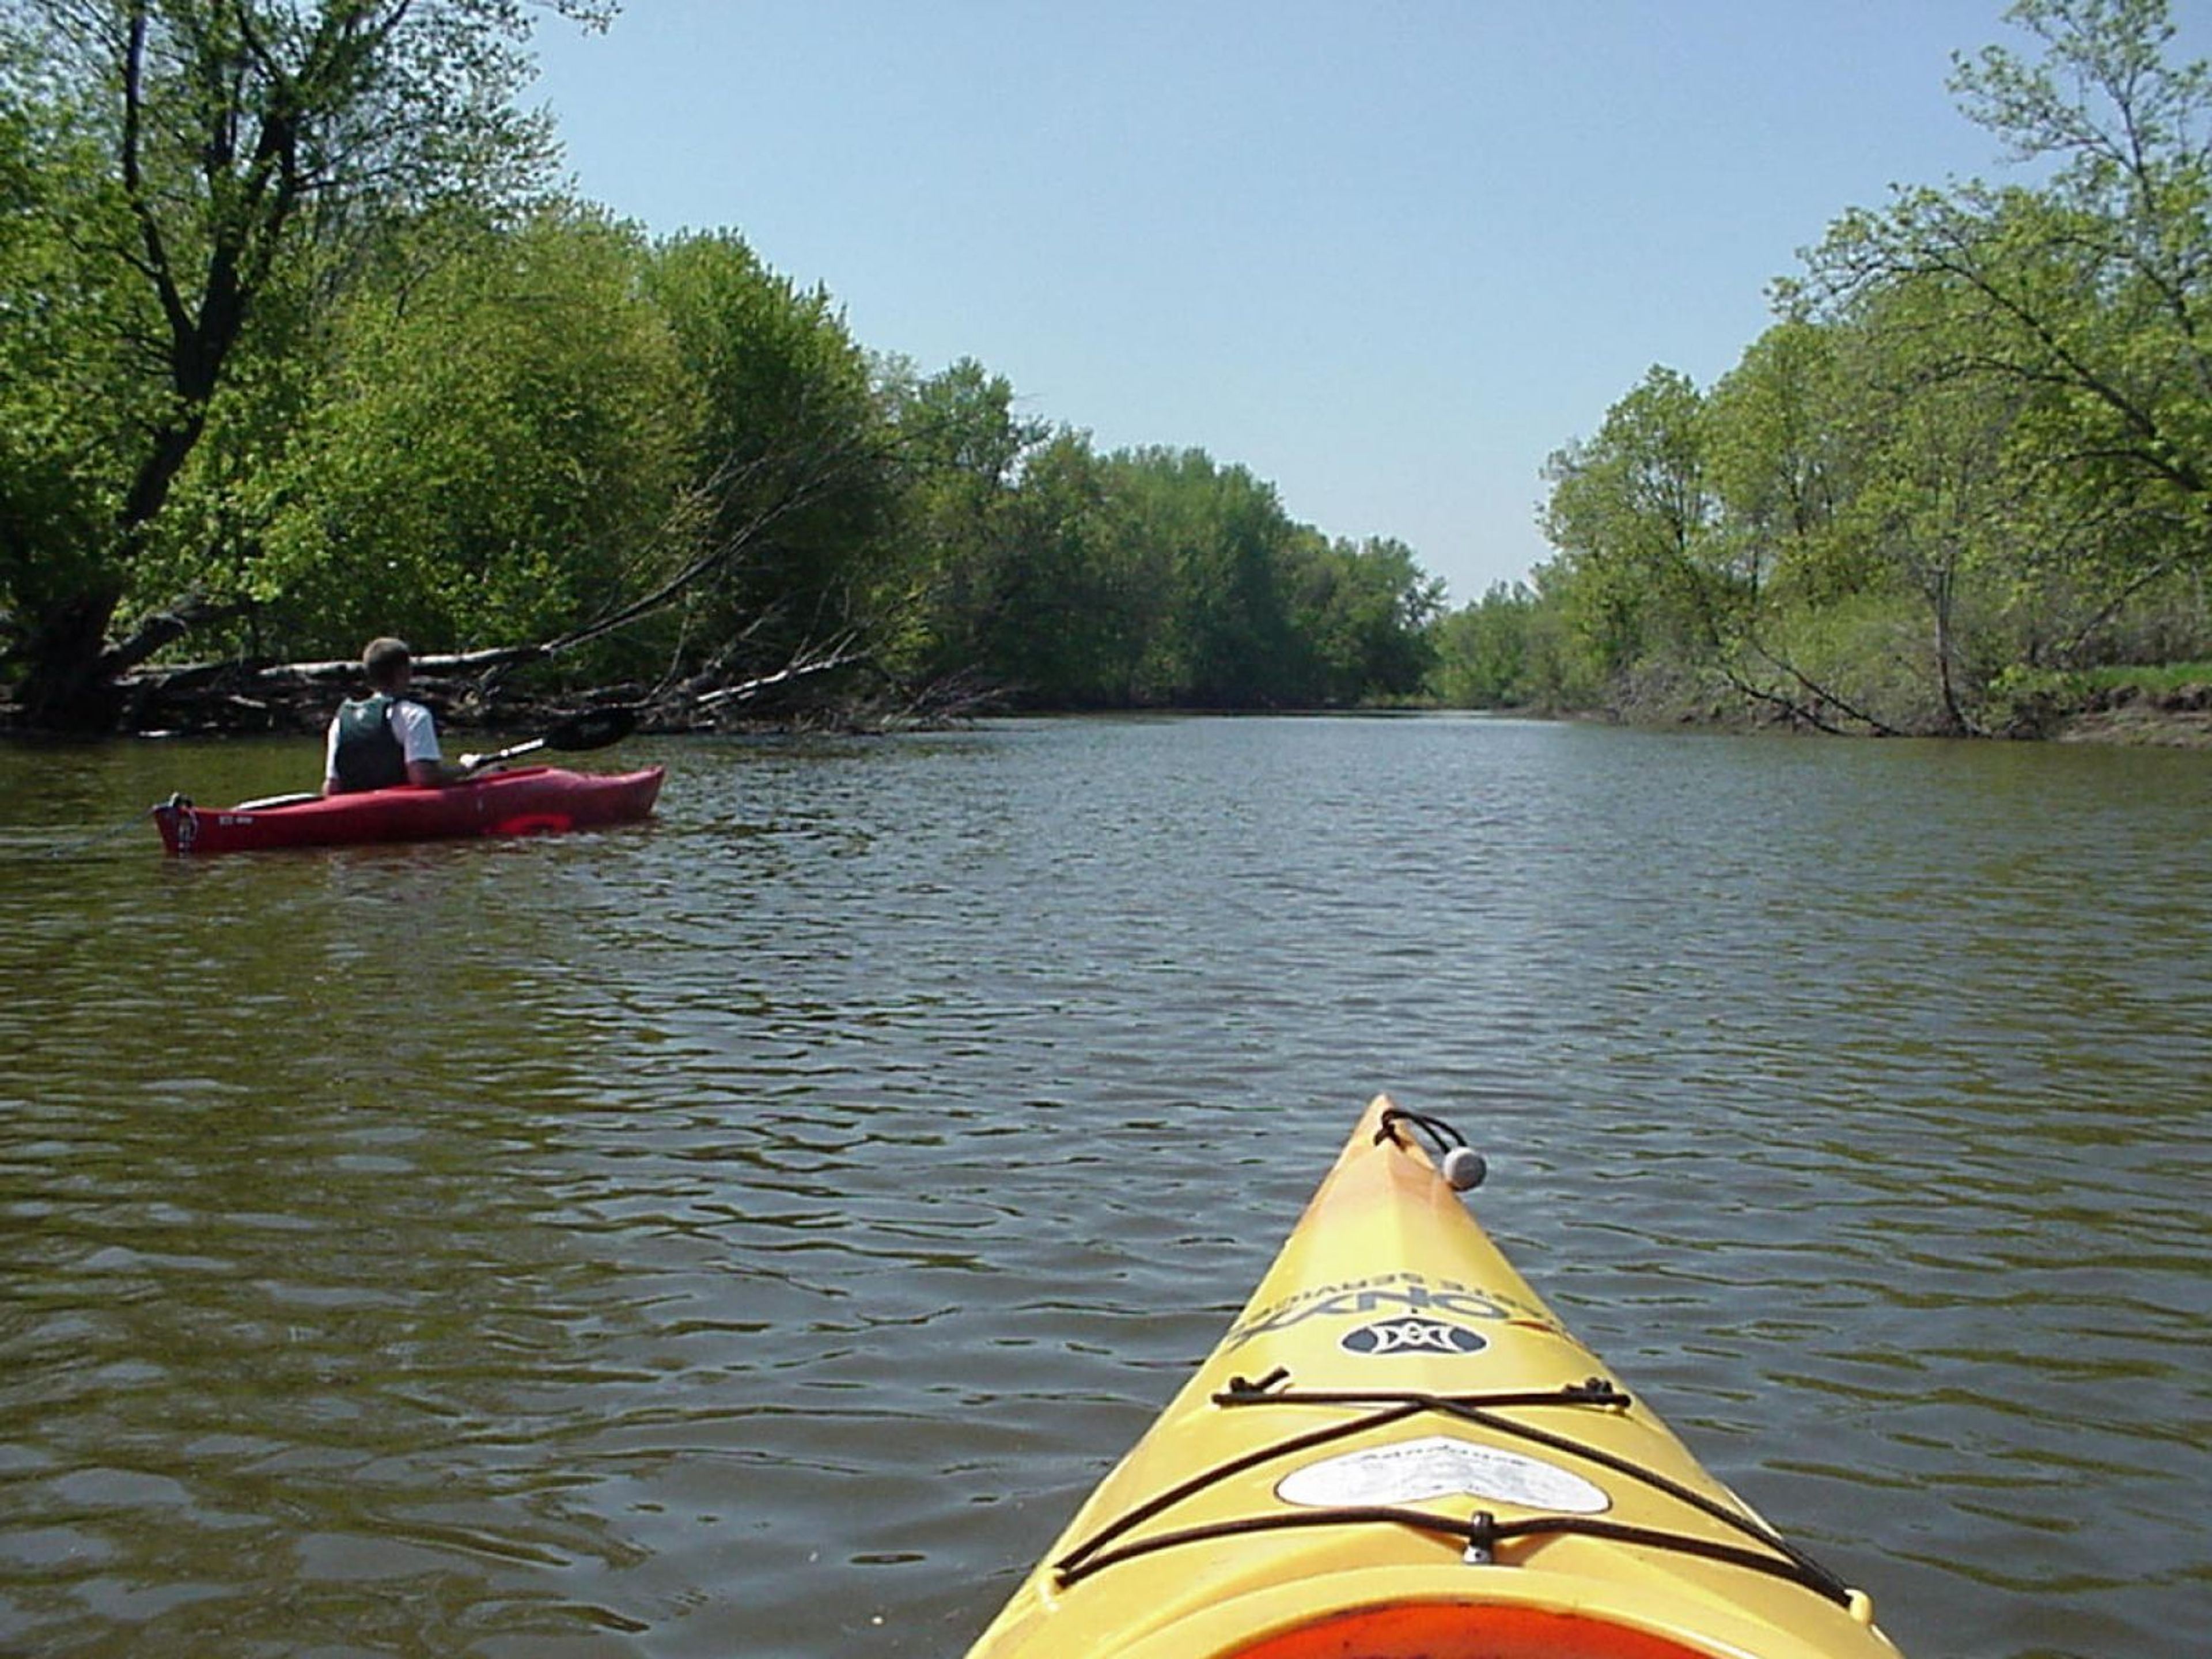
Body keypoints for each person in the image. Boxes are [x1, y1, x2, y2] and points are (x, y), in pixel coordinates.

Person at [323, 637, 472, 794]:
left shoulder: (341, 722)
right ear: (404, 672)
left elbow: (332, 786)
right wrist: (464, 769)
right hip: (400, 811)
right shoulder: (414, 715)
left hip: (356, 812)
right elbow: (423, 776)